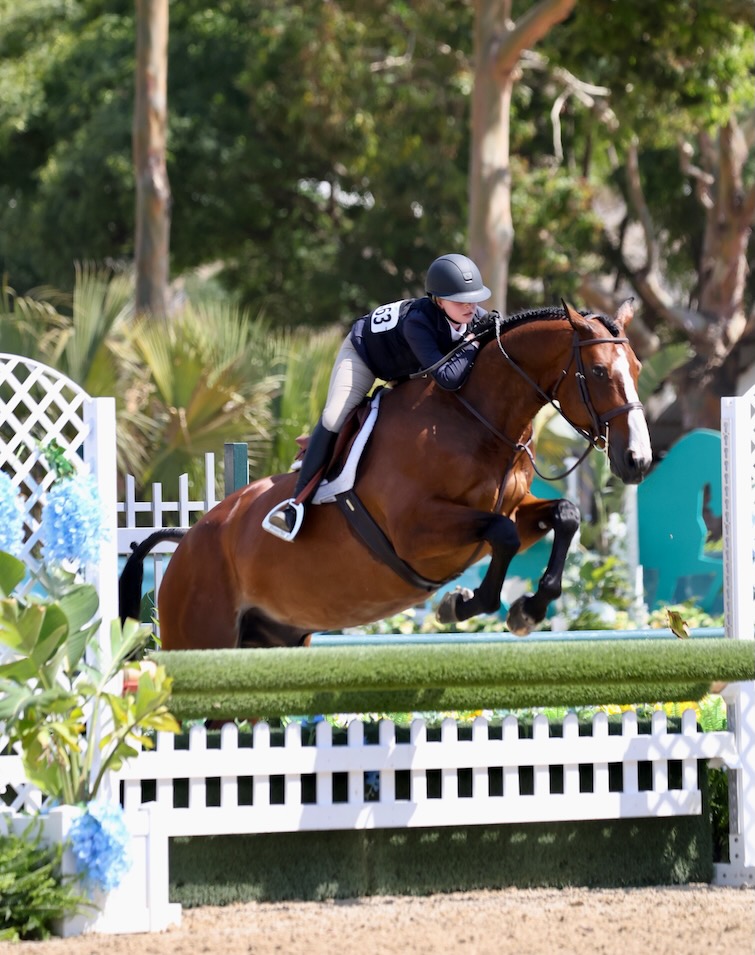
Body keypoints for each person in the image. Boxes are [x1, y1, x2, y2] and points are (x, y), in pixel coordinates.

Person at [263, 252, 495, 541]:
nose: (470, 305)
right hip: (366, 356)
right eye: (461, 299)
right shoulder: (418, 321)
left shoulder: (475, 317)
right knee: (336, 414)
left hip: (408, 366)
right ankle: (296, 504)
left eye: (474, 298)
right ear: (438, 299)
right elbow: (448, 378)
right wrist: (473, 344)